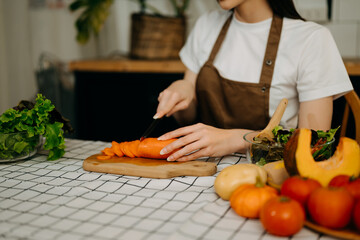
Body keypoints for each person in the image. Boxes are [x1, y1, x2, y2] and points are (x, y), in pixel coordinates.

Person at [154, 0, 353, 162]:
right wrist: (184, 90)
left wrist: (240, 139)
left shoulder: (311, 39)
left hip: (273, 176)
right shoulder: (206, 24)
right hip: (201, 170)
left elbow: (314, 147)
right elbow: (188, 118)